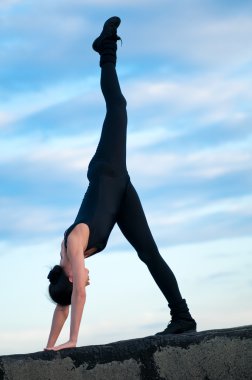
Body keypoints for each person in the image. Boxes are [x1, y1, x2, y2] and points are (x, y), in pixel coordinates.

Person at [45, 17, 197, 351]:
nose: (87, 282)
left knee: (118, 107)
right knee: (149, 253)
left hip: (106, 170)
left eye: (81, 282)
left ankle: (106, 51)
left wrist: (73, 339)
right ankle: (182, 317)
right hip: (121, 190)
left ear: (71, 276)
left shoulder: (73, 245)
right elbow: (63, 304)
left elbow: (76, 295)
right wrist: (49, 346)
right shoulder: (71, 264)